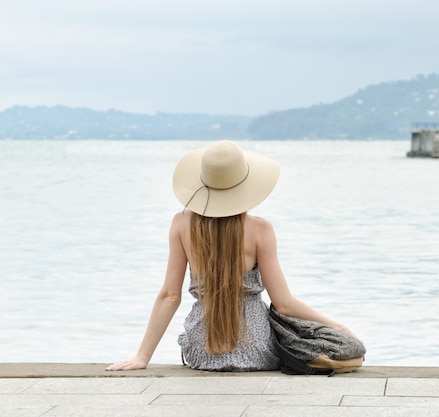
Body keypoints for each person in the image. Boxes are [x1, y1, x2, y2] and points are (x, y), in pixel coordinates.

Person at [107, 140, 353, 371]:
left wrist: (142, 356)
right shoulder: (260, 230)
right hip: (257, 350)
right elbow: (284, 304)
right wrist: (337, 326)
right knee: (346, 348)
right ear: (245, 186)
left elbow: (170, 296)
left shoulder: (181, 224)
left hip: (201, 352)